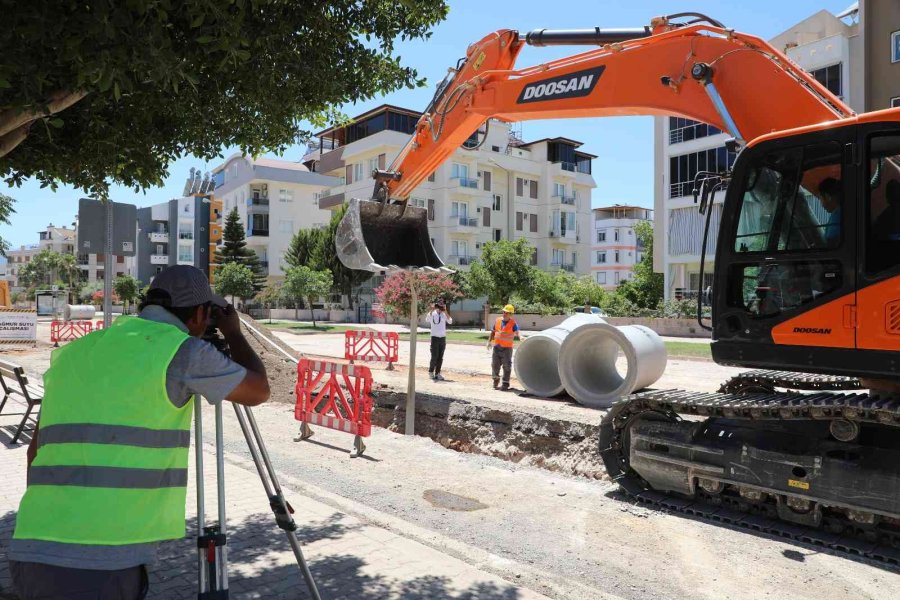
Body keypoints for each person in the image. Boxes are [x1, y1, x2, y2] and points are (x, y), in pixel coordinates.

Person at [9, 265, 270, 600]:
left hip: (31, 546)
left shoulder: (75, 353)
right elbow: (259, 391)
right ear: (200, 313)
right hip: (101, 562)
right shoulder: (183, 353)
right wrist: (233, 333)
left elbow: (36, 451)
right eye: (207, 317)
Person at [487, 304, 520, 391]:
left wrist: (521, 337)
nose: (504, 313)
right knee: (495, 365)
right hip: (497, 347)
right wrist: (489, 341)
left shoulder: (513, 323)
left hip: (507, 348)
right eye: (504, 312)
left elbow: (517, 332)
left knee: (507, 366)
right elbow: (493, 332)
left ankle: (505, 384)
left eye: (507, 312)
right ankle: (495, 379)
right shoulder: (498, 320)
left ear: (511, 314)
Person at [427, 301, 452, 381]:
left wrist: (445, 311)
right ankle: (431, 372)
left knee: (440, 358)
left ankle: (437, 373)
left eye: (442, 306)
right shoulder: (432, 313)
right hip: (434, 338)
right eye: (439, 306)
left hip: (442, 338)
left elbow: (450, 321)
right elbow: (427, 319)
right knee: (434, 356)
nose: (440, 308)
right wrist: (432, 308)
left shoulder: (444, 314)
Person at [818, 177, 842, 245]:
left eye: (820, 198)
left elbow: (830, 242)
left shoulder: (837, 215)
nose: (821, 205)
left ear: (828, 197)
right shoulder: (844, 211)